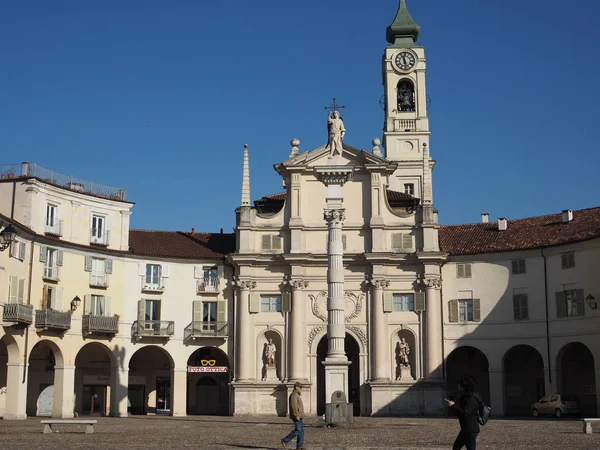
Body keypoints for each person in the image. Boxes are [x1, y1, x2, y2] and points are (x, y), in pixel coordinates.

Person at [445, 375, 482, 450]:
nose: (458, 387)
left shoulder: (471, 398)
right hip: (466, 429)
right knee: (456, 447)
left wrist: (453, 405)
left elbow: (465, 413)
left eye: (459, 386)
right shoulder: (467, 396)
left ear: (464, 387)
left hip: (470, 430)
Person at [281, 382, 304, 449]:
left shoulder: (297, 394)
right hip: (297, 416)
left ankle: (299, 446)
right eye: (300, 387)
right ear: (297, 387)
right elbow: (293, 406)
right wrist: (296, 415)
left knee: (301, 431)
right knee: (298, 430)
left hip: (300, 415)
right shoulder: (294, 395)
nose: (301, 389)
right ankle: (285, 440)